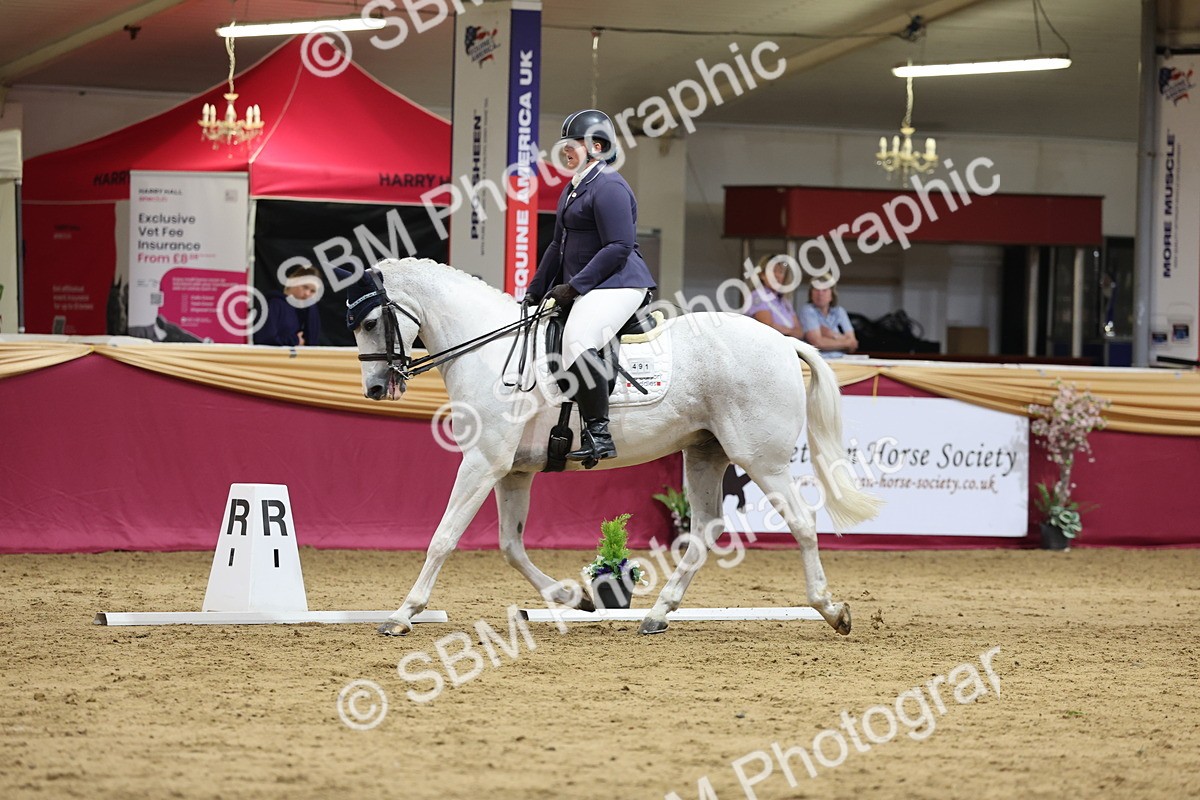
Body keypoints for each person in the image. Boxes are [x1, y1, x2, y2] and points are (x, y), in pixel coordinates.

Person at [524, 109, 656, 466]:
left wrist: (574, 286)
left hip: (620, 283)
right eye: (565, 144)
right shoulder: (573, 188)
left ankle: (599, 434)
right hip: (592, 285)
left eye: (573, 143)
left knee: (578, 341)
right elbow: (557, 245)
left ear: (597, 146)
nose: (565, 149)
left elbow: (619, 246)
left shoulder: (609, 186)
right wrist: (535, 289)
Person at [254, 265, 322, 347]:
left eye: (312, 291)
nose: (307, 293)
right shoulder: (275, 304)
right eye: (305, 287)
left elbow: (312, 343)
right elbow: (264, 339)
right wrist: (295, 340)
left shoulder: (306, 311)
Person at [745, 255, 805, 339]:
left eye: (780, 272)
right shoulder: (757, 296)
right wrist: (791, 331)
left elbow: (800, 332)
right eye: (772, 271)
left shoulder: (785, 301)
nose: (777, 275)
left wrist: (785, 330)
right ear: (762, 275)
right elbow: (768, 327)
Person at [799, 276, 858, 353]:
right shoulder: (808, 310)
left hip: (842, 357)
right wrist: (846, 341)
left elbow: (853, 346)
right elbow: (817, 343)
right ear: (811, 294)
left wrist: (832, 334)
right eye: (816, 289)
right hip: (822, 358)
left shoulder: (840, 311)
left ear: (832, 295)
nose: (820, 293)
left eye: (824, 290)